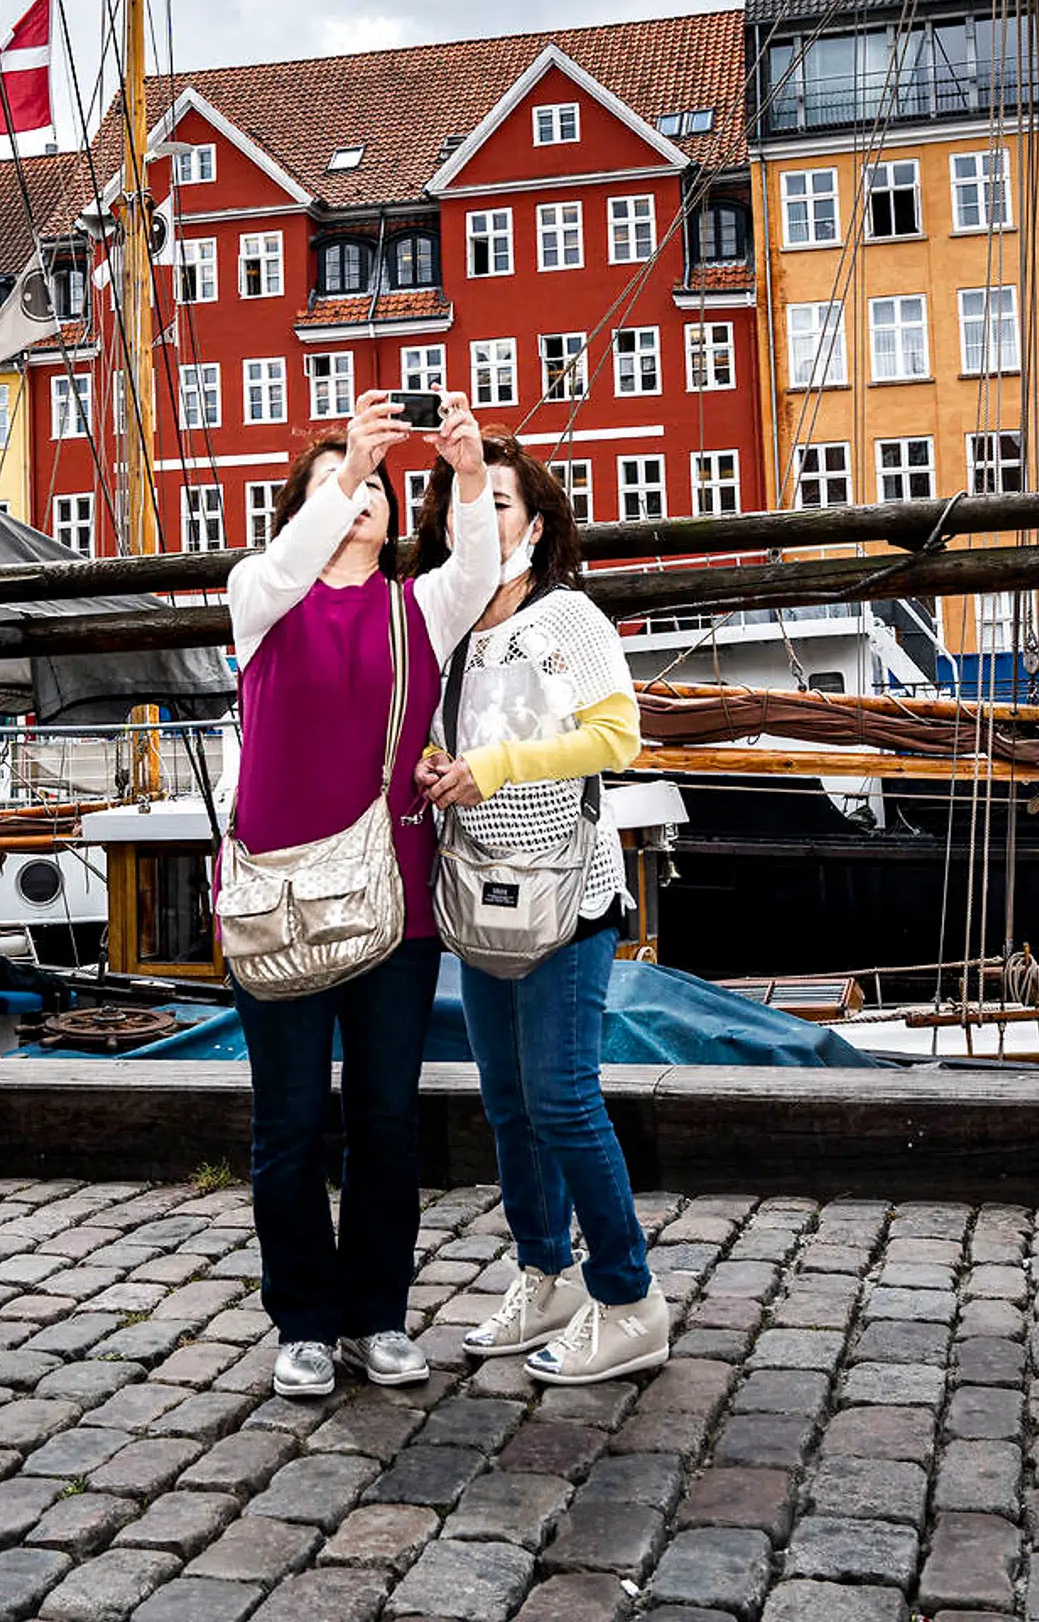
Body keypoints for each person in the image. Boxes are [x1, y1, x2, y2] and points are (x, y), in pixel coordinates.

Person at [226, 388, 498, 1398]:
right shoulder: (262, 593)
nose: (367, 491)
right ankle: (303, 1318)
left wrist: (466, 474)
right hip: (280, 901)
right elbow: (289, 560)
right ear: (307, 500)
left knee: (387, 1120)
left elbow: (475, 568)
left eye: (380, 483)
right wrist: (342, 471)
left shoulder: (415, 604)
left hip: (396, 906)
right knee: (288, 1123)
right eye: (344, 480)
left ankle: (377, 1314)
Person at [413, 438, 667, 1385]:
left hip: (568, 886)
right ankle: (545, 1271)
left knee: (563, 1096)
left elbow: (618, 737)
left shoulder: (566, 618)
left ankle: (631, 1297)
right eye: (463, 503)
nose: (478, 517)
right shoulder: (453, 634)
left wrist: (496, 766)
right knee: (509, 1103)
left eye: (502, 503)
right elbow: (457, 745)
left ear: (538, 521)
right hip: (481, 892)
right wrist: (444, 769)